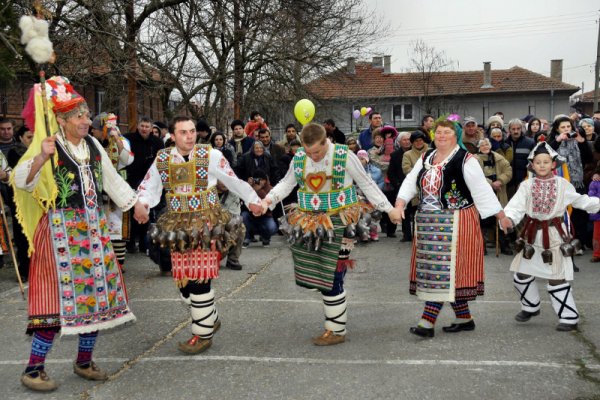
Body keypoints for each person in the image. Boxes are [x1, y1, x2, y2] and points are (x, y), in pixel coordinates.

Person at [12, 76, 142, 392]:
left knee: (94, 297)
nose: (86, 121)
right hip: (58, 233)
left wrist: (135, 205)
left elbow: (112, 180)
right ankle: (34, 368)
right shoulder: (49, 145)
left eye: (86, 115)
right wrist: (41, 157)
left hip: (93, 231)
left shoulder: (94, 146)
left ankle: (84, 361)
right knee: (54, 301)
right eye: (80, 116)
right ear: (61, 119)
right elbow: (19, 180)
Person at [261, 123, 401, 346]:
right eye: (309, 152)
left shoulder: (344, 155)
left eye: (317, 151)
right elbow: (286, 184)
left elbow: (366, 183)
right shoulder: (299, 157)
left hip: (340, 221)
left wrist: (388, 209)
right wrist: (267, 201)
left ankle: (336, 329)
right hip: (309, 224)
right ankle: (335, 323)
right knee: (320, 273)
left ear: (326, 140)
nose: (313, 156)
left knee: (333, 275)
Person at [135, 116, 262, 355]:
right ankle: (209, 318)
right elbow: (148, 186)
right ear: (172, 136)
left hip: (206, 224)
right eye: (183, 132)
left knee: (200, 278)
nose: (190, 136)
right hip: (177, 226)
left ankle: (202, 335)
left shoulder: (211, 155)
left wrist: (254, 201)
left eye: (192, 131)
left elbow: (232, 180)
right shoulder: (162, 159)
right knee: (184, 284)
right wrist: (141, 204)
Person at [395, 118, 510, 338]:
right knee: (438, 271)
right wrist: (400, 203)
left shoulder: (466, 160)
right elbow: (411, 181)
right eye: (438, 132)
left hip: (456, 221)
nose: (442, 136)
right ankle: (464, 318)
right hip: (429, 223)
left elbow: (481, 191)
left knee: (445, 272)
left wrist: (501, 216)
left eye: (447, 132)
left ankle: (426, 323)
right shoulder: (426, 157)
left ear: (455, 135)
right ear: (433, 135)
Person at [504, 142, 600, 331]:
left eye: (546, 162)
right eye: (538, 162)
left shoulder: (562, 184)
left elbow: (580, 200)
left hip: (555, 235)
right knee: (521, 274)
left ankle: (569, 317)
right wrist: (508, 218)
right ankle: (530, 306)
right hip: (531, 235)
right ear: (532, 164)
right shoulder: (526, 185)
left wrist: (596, 203)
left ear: (553, 164)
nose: (541, 165)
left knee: (556, 277)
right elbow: (516, 206)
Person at [91, 113, 134, 272]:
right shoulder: (91, 143)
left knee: (116, 226)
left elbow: (127, 160)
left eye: (95, 129)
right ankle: (102, 260)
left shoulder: (122, 141)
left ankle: (118, 262)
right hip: (97, 189)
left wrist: (117, 140)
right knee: (100, 225)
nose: (93, 131)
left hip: (116, 189)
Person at [125, 116, 164, 253]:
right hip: (133, 179)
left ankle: (143, 242)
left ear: (151, 128)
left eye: (147, 126)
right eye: (142, 126)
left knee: (147, 210)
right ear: (138, 126)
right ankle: (130, 242)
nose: (144, 129)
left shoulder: (157, 142)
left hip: (150, 181)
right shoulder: (129, 139)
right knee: (132, 212)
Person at [476, 138, 513, 255]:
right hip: (483, 194)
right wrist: (491, 183)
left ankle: (504, 245)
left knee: (501, 218)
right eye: (482, 145)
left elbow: (508, 171)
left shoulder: (499, 158)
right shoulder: (474, 159)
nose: (485, 146)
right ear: (478, 147)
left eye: (487, 144)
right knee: (483, 221)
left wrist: (500, 181)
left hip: (499, 193)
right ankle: (481, 246)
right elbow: (476, 175)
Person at [400, 131, 429, 242]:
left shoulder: (431, 151)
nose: (419, 142)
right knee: (414, 212)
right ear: (412, 142)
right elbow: (406, 169)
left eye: (421, 140)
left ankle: (424, 235)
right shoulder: (407, 154)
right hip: (414, 187)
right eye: (416, 141)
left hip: (429, 186)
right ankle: (411, 236)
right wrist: (421, 172)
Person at [242, 169, 278, 247]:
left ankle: (265, 237)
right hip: (250, 216)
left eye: (261, 180)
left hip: (265, 216)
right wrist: (249, 188)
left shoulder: (270, 189)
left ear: (265, 180)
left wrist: (259, 191)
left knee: (272, 227)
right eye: (257, 179)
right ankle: (247, 237)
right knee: (243, 216)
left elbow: (270, 207)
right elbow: (243, 204)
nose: (259, 181)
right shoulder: (249, 188)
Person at [217, 181, 245, 270]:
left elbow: (235, 215)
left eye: (226, 179)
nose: (224, 183)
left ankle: (233, 259)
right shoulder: (207, 192)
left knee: (240, 227)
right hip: (209, 226)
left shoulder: (234, 193)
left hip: (224, 223)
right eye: (221, 179)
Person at [506, 118, 535, 199]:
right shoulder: (504, 144)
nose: (516, 131)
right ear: (509, 130)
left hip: (524, 181)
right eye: (513, 129)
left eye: (518, 128)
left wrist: (526, 180)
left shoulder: (530, 143)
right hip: (509, 184)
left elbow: (533, 163)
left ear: (521, 129)